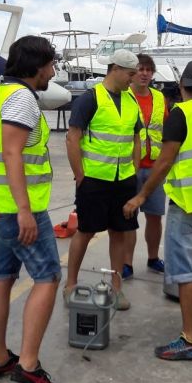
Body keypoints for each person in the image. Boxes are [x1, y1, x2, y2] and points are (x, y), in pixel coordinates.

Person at [123, 60, 192, 360]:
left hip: (186, 205)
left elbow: (165, 161)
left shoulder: (179, 114)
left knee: (185, 273)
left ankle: (190, 338)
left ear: (182, 83)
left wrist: (142, 195)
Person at [0, 35, 62, 383]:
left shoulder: (2, 93)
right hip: (15, 210)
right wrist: (25, 211)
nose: (53, 71)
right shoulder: (23, 99)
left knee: (2, 276)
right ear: (37, 66)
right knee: (48, 277)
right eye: (50, 65)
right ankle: (28, 366)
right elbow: (13, 155)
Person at [64, 49, 142, 311]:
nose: (133, 79)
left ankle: (116, 288)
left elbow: (136, 137)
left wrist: (136, 167)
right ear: (115, 69)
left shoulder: (131, 101)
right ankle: (70, 285)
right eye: (130, 74)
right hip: (95, 179)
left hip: (124, 180)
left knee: (119, 232)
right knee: (85, 231)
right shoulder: (90, 99)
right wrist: (80, 175)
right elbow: (73, 137)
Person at [122, 54, 168, 280]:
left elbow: (167, 130)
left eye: (149, 70)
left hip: (155, 167)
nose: (144, 73)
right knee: (129, 217)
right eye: (140, 69)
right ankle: (127, 263)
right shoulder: (123, 96)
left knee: (154, 216)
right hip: (130, 166)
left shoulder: (159, 98)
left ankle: (152, 258)